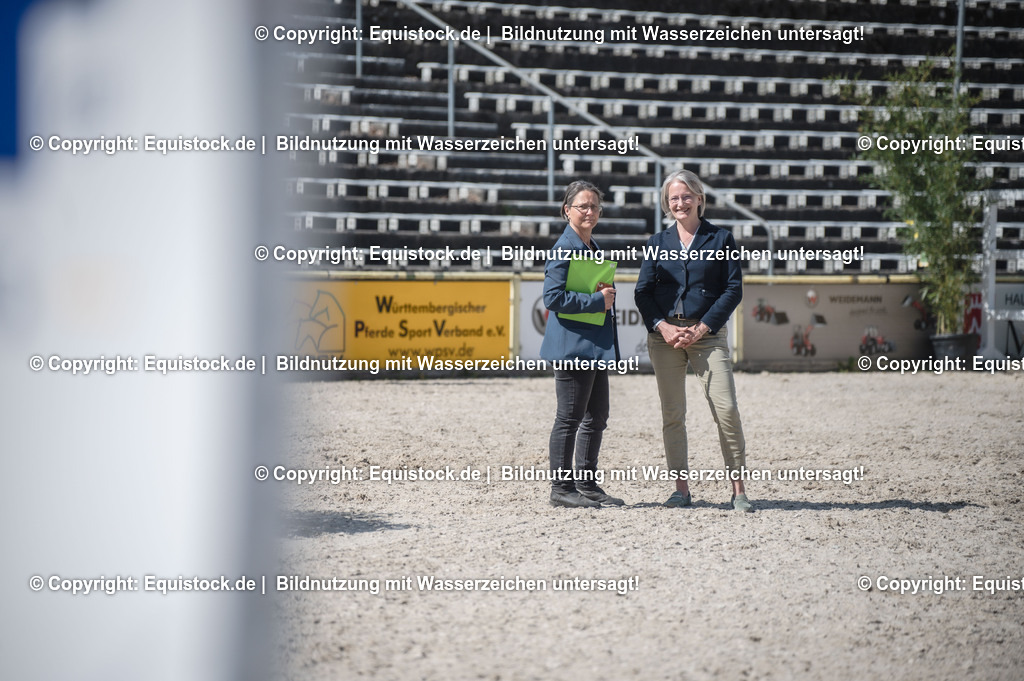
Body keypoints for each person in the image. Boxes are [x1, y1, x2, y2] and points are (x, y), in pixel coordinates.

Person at [634, 169, 753, 512]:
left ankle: (739, 490)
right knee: (673, 414)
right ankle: (681, 490)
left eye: (687, 196)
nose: (681, 203)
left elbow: (733, 289)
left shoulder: (721, 239)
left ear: (700, 199)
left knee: (726, 410)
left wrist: (702, 328)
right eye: (674, 198)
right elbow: (643, 292)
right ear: (666, 204)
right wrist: (663, 326)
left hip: (707, 335)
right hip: (665, 338)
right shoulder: (657, 242)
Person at [540, 180, 624, 508]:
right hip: (573, 346)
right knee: (570, 417)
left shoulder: (591, 245)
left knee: (597, 415)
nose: (589, 211)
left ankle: (586, 484)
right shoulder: (565, 247)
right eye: (582, 206)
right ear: (567, 211)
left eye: (594, 207)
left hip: (590, 345)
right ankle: (561, 488)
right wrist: (595, 301)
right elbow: (552, 297)